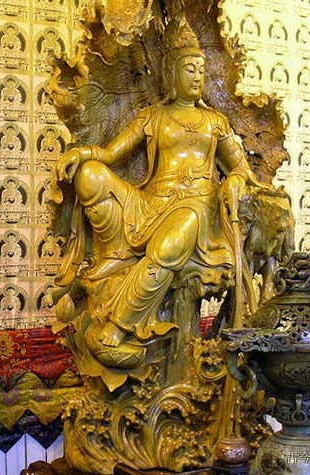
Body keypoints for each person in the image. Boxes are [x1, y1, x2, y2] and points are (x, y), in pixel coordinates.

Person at [51, 19, 268, 367]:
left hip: (196, 204)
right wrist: (82, 154)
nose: (197, 77)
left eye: (201, 70)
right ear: (171, 74)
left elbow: (241, 167)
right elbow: (111, 154)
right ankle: (113, 255)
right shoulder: (153, 116)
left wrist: (235, 180)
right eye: (189, 69)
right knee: (90, 175)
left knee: (167, 247)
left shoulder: (215, 122)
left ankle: (119, 324)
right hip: (151, 202)